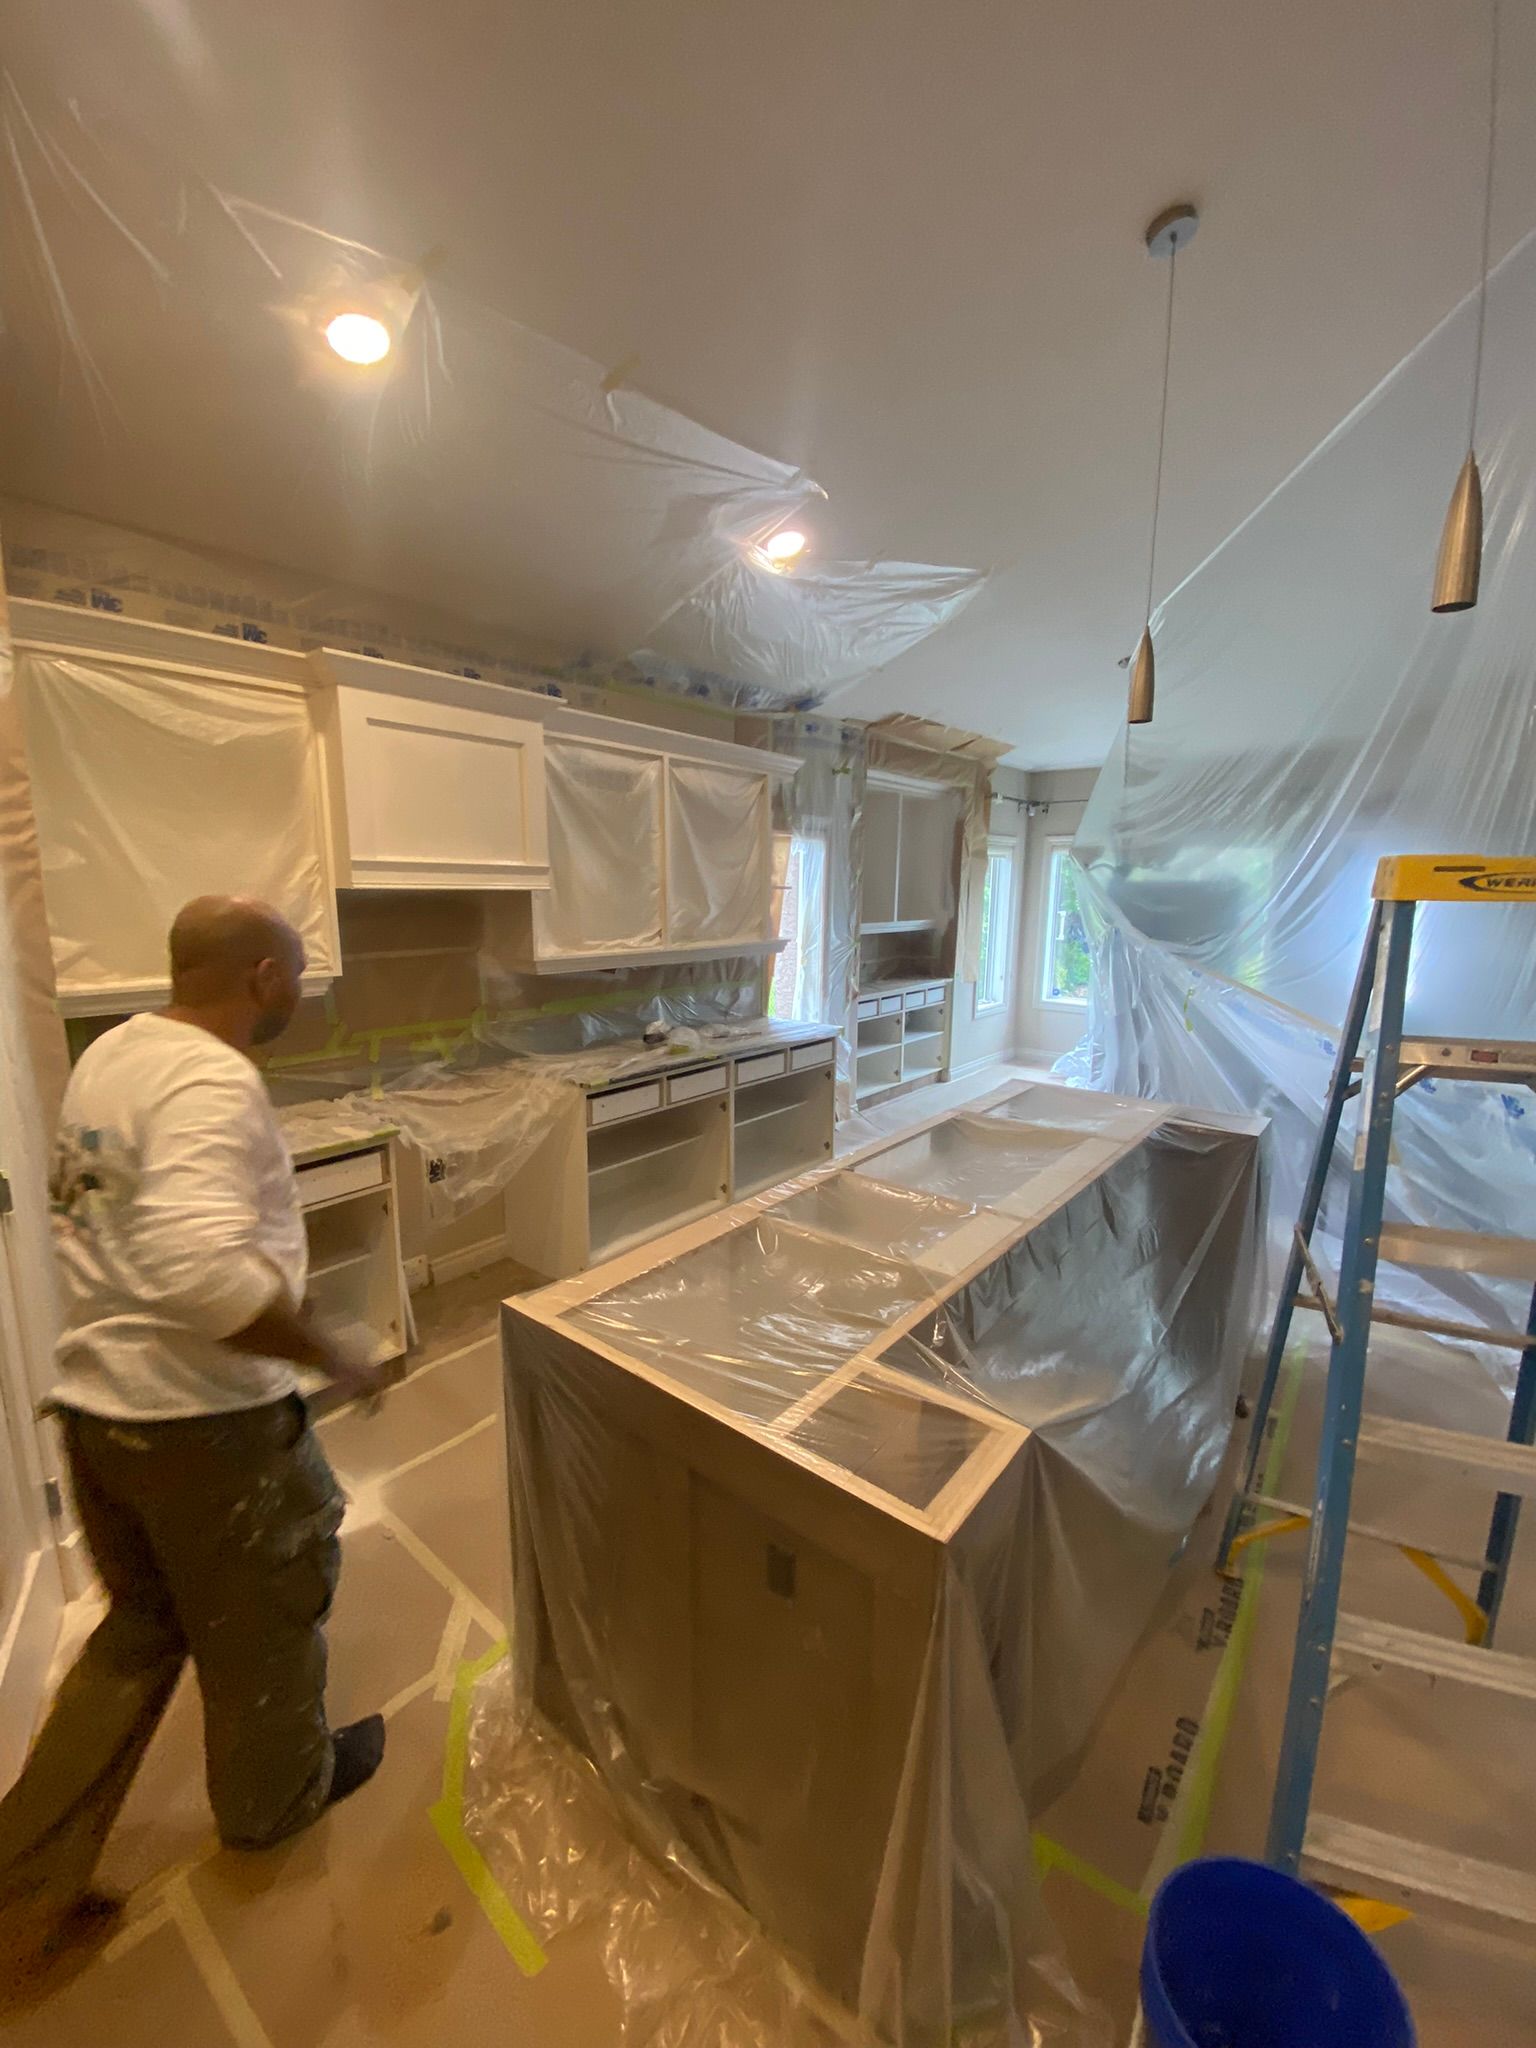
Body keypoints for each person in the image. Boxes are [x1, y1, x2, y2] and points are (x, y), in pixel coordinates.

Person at [0, 896, 386, 1981]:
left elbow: (100, 1219)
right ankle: (278, 1800)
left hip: (97, 1409)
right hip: (204, 1428)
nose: (301, 998)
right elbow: (205, 1277)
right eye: (298, 978)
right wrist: (331, 1352)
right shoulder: (216, 1078)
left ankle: (17, 1888)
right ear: (262, 974)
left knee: (137, 1633)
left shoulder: (112, 1055)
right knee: (267, 1619)